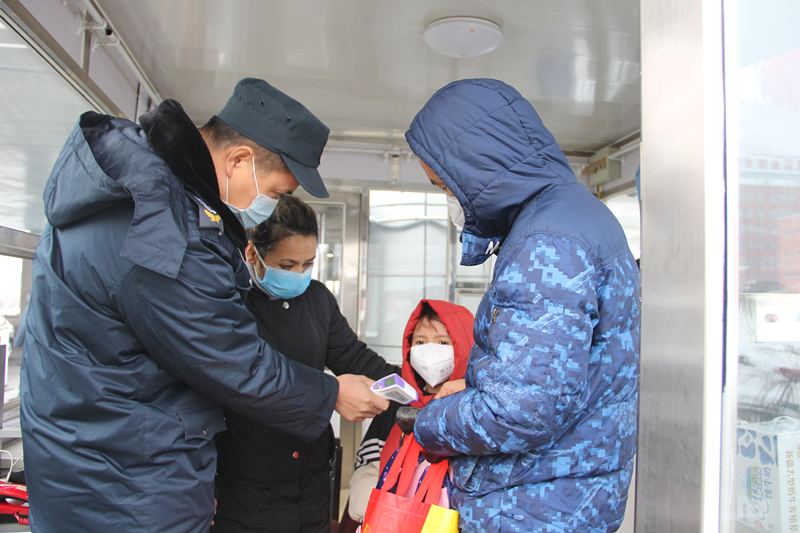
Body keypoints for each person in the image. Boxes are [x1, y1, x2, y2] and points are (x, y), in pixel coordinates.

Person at [20, 78, 389, 533]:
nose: (270, 205)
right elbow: (230, 358)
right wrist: (331, 394)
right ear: (239, 161)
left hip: (93, 459)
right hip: (123, 483)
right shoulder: (159, 222)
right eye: (276, 192)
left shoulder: (144, 191)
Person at [405, 79, 641, 532]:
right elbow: (559, 376)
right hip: (569, 499)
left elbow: (519, 411)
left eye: (445, 186)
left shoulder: (545, 243)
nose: (449, 198)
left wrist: (428, 421)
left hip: (530, 509)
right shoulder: (577, 216)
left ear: (476, 170)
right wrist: (476, 387)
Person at [212, 195, 398, 533]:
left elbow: (355, 359)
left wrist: (417, 383)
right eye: (287, 266)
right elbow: (247, 376)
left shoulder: (318, 300)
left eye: (307, 264)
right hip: (245, 485)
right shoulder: (231, 304)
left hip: (310, 483)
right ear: (253, 254)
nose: (299, 274)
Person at [347, 299, 474, 523]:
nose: (429, 351)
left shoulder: (474, 408)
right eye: (420, 342)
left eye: (442, 342)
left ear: (463, 344)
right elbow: (368, 466)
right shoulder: (397, 403)